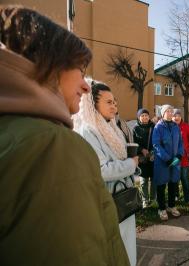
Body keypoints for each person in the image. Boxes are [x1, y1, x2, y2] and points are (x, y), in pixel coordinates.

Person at [0, 6, 129, 265]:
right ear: (50, 66)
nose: (85, 84)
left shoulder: (13, 129)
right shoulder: (53, 145)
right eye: (81, 71)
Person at [74, 80, 139, 265]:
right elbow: (101, 170)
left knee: (125, 248)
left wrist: (133, 165)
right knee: (113, 251)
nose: (114, 106)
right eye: (109, 102)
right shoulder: (88, 131)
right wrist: (130, 165)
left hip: (123, 197)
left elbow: (121, 161)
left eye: (115, 102)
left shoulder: (112, 127)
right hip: (107, 201)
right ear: (93, 104)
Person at [152, 104, 184, 221]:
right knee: (161, 185)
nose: (171, 113)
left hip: (175, 161)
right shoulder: (158, 127)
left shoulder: (176, 126)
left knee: (173, 184)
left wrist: (180, 154)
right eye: (168, 111)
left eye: (172, 111)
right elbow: (156, 145)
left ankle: (171, 206)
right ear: (163, 113)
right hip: (162, 162)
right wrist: (167, 158)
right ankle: (161, 208)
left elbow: (181, 142)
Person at [133, 108, 156, 208]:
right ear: (139, 118)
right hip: (142, 158)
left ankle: (153, 199)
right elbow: (133, 142)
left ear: (149, 116)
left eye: (146, 115)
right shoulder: (135, 128)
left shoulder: (154, 126)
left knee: (154, 180)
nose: (144, 117)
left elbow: (157, 140)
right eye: (142, 116)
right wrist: (141, 149)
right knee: (143, 181)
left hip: (153, 157)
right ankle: (145, 200)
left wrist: (152, 151)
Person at [173, 109, 189, 208]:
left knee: (185, 179)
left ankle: (188, 199)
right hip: (173, 159)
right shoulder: (170, 127)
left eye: (178, 115)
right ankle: (175, 196)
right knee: (174, 179)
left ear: (181, 116)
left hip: (184, 158)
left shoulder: (186, 126)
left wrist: (187, 149)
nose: (176, 117)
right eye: (174, 115)